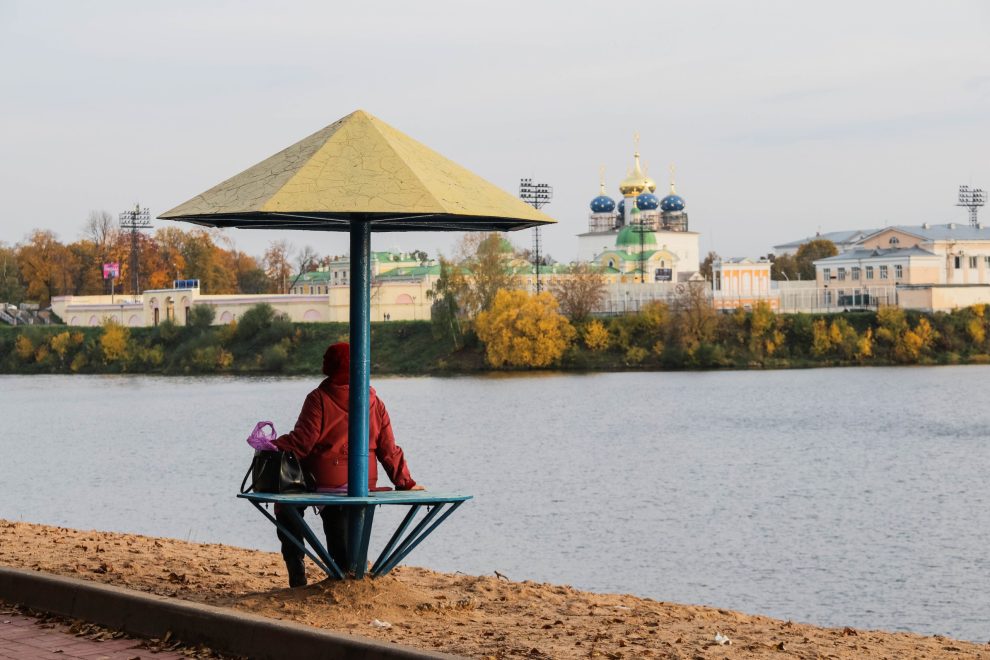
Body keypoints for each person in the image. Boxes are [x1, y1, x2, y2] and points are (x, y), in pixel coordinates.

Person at [271, 342, 423, 586]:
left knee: (286, 503)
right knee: (344, 520)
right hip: (365, 482)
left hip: (326, 482)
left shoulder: (318, 398)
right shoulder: (375, 402)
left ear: (332, 365)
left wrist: (272, 445)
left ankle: (297, 569)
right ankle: (348, 570)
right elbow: (388, 449)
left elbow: (301, 444)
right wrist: (405, 482)